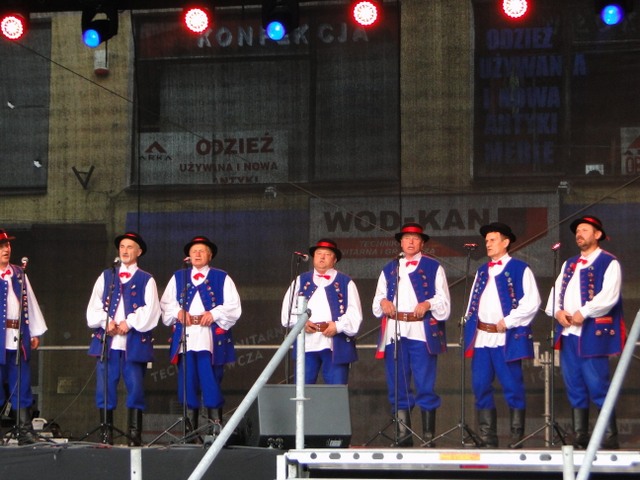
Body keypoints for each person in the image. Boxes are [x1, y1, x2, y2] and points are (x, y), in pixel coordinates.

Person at [545, 215, 624, 450]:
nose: (579, 234)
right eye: (577, 231)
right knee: (574, 384)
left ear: (597, 234)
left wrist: (585, 311)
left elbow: (609, 296)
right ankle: (581, 434)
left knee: (597, 384)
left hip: (592, 333)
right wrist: (558, 312)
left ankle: (609, 434)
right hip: (569, 333)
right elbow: (555, 293)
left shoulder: (608, 262)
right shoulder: (569, 264)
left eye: (584, 230)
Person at [372, 223, 450, 447]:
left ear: (422, 243)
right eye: (406, 238)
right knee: (397, 384)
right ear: (400, 242)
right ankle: (403, 435)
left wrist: (427, 303)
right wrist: (384, 302)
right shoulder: (389, 268)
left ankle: (428, 436)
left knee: (425, 383)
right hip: (395, 332)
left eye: (415, 239)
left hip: (420, 331)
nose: (411, 242)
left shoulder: (434, 267)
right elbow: (377, 300)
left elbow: (443, 301)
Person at [463, 222, 540, 449]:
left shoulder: (520, 268)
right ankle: (488, 436)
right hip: (482, 337)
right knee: (480, 385)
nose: (488, 244)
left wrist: (509, 321)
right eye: (486, 240)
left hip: (505, 337)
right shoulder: (481, 271)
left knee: (512, 385)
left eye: (492, 240)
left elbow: (532, 302)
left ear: (505, 242)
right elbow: (473, 302)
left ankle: (517, 435)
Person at [161, 235, 241, 437]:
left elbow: (233, 306)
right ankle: (190, 430)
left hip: (209, 337)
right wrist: (178, 312)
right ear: (188, 256)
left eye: (202, 251)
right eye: (194, 251)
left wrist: (214, 313)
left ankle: (215, 427)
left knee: (210, 379)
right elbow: (166, 303)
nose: (197, 254)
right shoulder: (178, 276)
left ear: (210, 255)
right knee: (187, 380)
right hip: (186, 336)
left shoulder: (222, 277)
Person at [86, 232, 160, 446]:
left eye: (130, 247)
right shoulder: (106, 276)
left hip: (133, 343)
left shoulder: (146, 279)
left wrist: (130, 322)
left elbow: (152, 309)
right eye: (122, 247)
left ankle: (134, 434)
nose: (125, 251)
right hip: (108, 343)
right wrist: (106, 321)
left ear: (139, 251)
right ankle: (106, 432)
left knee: (135, 387)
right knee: (105, 387)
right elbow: (94, 306)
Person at [281, 239, 363, 385]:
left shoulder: (346, 282)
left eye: (327, 254)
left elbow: (355, 314)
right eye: (319, 253)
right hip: (307, 343)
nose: (322, 257)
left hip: (335, 344)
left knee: (335, 390)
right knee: (302, 389)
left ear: (335, 259)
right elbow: (287, 312)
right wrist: (301, 323)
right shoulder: (300, 280)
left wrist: (337, 326)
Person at [0, 229, 47, 445]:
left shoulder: (19, 273)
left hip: (17, 336)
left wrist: (34, 331)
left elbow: (29, 302)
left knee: (21, 382)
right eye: (1, 246)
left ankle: (24, 430)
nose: (5, 250)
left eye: (7, 245)